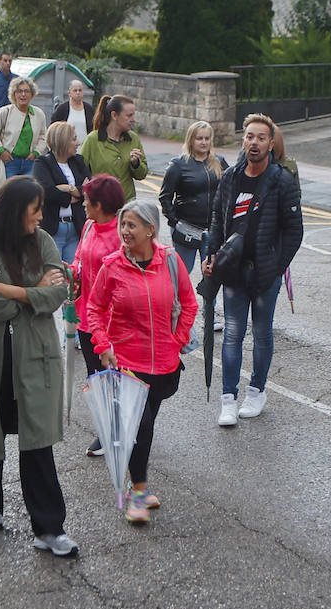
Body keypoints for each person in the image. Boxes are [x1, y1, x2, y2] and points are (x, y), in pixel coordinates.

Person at [0, 177, 78, 556]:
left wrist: (11, 290)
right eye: (34, 210)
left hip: (32, 352)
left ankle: (50, 529)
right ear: (13, 211)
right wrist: (31, 290)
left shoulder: (43, 242)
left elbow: (59, 290)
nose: (41, 217)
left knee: (37, 440)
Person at [86, 199, 197, 524]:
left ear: (151, 230)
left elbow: (189, 304)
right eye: (123, 224)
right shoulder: (113, 265)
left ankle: (140, 487)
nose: (124, 231)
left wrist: (177, 339)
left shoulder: (171, 262)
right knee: (140, 426)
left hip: (164, 364)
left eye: (131, 225)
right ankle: (138, 492)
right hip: (125, 362)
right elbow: (94, 308)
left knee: (144, 428)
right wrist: (103, 345)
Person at [203, 114, 303, 426]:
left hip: (264, 274)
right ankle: (228, 399)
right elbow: (217, 220)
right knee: (232, 333)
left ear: (271, 144)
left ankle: (257, 391)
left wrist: (275, 266)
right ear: (243, 140)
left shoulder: (281, 181)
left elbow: (294, 232)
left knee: (261, 333)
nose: (254, 142)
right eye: (249, 137)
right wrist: (210, 255)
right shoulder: (230, 177)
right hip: (232, 269)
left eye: (260, 138)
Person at [73, 175, 125, 458]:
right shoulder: (90, 225)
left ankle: (114, 430)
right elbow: (80, 259)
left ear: (100, 204)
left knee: (112, 376)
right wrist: (71, 272)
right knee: (96, 375)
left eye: (87, 202)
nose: (83, 205)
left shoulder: (121, 233)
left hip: (111, 320)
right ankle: (110, 427)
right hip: (85, 314)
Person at [160, 120, 227, 273]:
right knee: (181, 274)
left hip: (212, 228)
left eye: (207, 138)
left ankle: (209, 299)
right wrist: (174, 222)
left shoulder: (220, 161)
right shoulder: (178, 165)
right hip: (187, 228)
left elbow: (231, 187)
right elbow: (165, 196)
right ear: (191, 139)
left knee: (211, 276)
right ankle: (177, 298)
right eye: (199, 138)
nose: (204, 142)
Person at [32, 121, 90, 264]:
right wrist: (76, 194)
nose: (78, 143)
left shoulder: (78, 161)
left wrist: (68, 188)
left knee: (73, 274)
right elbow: (46, 192)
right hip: (53, 229)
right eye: (74, 139)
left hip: (75, 227)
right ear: (63, 141)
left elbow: (90, 188)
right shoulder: (42, 163)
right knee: (54, 273)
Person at [81, 95, 148, 201]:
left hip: (126, 206)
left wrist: (136, 164)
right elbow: (80, 171)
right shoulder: (92, 140)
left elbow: (142, 174)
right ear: (114, 115)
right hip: (101, 205)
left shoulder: (133, 138)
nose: (133, 120)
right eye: (129, 115)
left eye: (133, 115)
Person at [0, 77, 48, 187]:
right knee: (10, 195)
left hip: (30, 163)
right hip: (9, 162)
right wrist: (1, 151)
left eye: (26, 91)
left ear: (32, 94)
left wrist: (36, 153)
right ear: (14, 94)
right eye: (19, 91)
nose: (23, 94)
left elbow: (43, 136)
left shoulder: (39, 114)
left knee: (28, 195)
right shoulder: (4, 112)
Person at [50, 79, 93, 145]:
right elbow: (53, 128)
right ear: (69, 93)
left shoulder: (89, 109)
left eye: (80, 90)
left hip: (84, 149)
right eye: (75, 90)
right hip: (66, 150)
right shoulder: (62, 109)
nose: (78, 93)